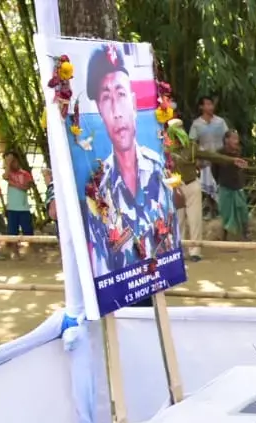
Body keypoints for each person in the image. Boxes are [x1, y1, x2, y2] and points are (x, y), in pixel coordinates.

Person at [83, 43, 176, 278]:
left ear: (134, 103)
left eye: (121, 94)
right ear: (99, 111)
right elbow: (103, 266)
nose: (117, 111)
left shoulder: (158, 169)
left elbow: (170, 238)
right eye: (106, 98)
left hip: (156, 283)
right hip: (121, 297)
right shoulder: (97, 187)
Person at [167, 115, 245, 261]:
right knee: (178, 220)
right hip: (175, 188)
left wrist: (232, 160)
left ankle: (195, 251)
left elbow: (211, 156)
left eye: (180, 128)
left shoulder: (191, 147)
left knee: (195, 219)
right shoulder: (166, 149)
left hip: (191, 185)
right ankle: (179, 251)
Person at [213, 130, 250, 240]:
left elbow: (242, 169)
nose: (236, 141)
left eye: (237, 138)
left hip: (237, 186)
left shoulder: (238, 152)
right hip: (225, 186)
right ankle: (224, 236)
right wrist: (219, 181)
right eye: (233, 138)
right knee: (226, 213)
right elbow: (214, 169)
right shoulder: (219, 153)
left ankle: (245, 234)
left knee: (243, 210)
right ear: (226, 140)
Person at [189, 96, 228, 200]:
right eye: (208, 104)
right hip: (206, 159)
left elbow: (227, 137)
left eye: (211, 104)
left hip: (220, 157)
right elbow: (192, 142)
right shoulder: (197, 124)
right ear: (201, 107)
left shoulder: (220, 122)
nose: (211, 107)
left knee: (221, 183)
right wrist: (196, 158)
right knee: (208, 184)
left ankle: (222, 207)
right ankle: (211, 208)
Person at [2, 152, 35, 252]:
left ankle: (31, 250)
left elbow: (27, 186)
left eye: (13, 161)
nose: (11, 164)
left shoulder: (25, 174)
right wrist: (8, 163)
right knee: (12, 232)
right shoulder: (8, 174)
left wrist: (14, 184)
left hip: (23, 208)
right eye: (8, 162)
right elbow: (5, 176)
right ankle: (15, 251)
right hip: (12, 208)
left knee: (28, 230)